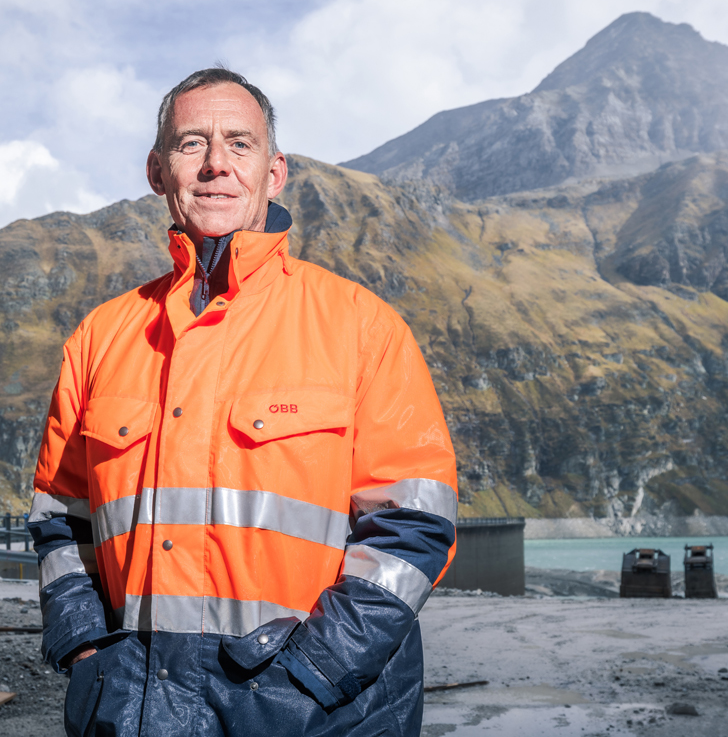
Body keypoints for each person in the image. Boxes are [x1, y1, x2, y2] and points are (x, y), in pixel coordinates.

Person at [27, 67, 458, 737]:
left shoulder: (360, 328)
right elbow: (61, 520)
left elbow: (414, 527)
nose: (216, 166)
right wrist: (86, 649)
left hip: (317, 710)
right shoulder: (99, 339)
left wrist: (308, 678)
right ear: (156, 169)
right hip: (136, 705)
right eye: (191, 144)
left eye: (240, 144)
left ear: (274, 172)